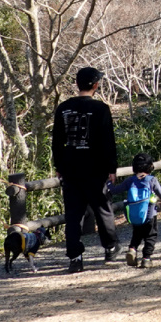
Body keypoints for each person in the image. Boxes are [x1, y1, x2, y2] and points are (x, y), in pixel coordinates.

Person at [51, 66, 118, 273]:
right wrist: (111, 167)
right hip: (95, 168)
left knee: (73, 214)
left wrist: (59, 166)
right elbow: (108, 141)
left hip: (70, 167)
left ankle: (75, 257)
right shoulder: (101, 109)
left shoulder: (63, 108)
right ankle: (110, 247)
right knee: (102, 208)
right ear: (95, 85)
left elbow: (57, 141)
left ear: (77, 84)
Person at [112, 152, 161, 268]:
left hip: (134, 215)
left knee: (137, 234)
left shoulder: (130, 181)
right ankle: (146, 258)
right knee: (151, 236)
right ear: (150, 167)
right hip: (150, 214)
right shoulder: (151, 180)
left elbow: (115, 190)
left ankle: (132, 249)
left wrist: (108, 183)